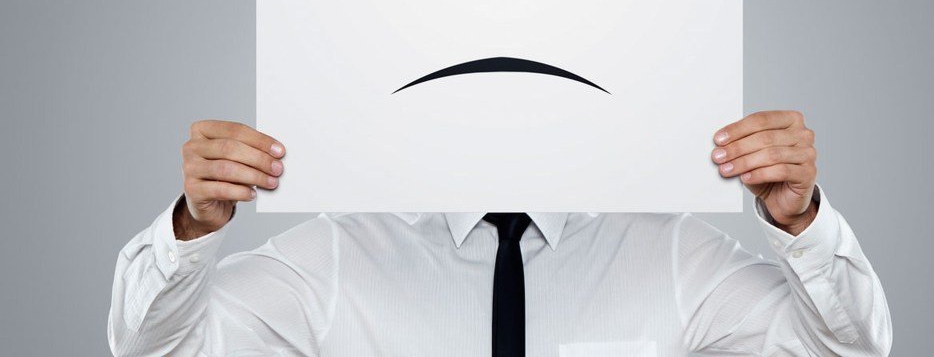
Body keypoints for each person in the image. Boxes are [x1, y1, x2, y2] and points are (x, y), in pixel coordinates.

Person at [108, 111, 892, 356]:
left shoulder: (672, 251)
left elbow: (847, 351)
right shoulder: (339, 253)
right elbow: (154, 350)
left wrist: (798, 221)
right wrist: (194, 227)